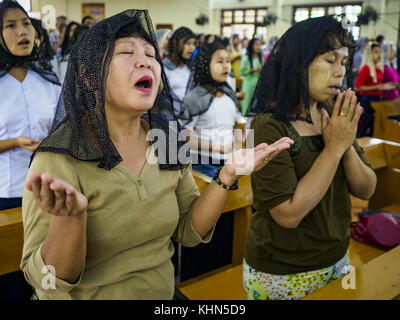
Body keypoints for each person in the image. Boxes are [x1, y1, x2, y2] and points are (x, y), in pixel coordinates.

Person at [19, 9, 293, 300]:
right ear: (90, 77)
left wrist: (227, 174)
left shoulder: (166, 142)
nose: (145, 61)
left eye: (151, 54)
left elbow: (188, 230)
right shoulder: (60, 157)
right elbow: (46, 281)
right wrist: (70, 221)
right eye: (127, 52)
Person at [244, 15, 377, 300]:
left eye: (343, 61)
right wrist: (333, 149)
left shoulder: (334, 114)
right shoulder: (269, 125)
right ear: (299, 62)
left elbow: (366, 188)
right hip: (283, 271)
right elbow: (288, 214)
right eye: (330, 60)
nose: (340, 71)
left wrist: (343, 145)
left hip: (338, 258)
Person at [0, 0, 61, 300]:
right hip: (7, 192)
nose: (22, 31)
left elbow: (67, 130)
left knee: (44, 268)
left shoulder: (48, 82)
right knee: (9, 271)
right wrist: (14, 142)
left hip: (47, 188)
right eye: (10, 25)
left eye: (25, 23)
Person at [183, 42, 246, 166]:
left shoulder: (229, 93)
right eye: (219, 62)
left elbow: (236, 126)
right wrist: (216, 147)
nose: (226, 66)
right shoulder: (194, 98)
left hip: (229, 159)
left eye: (228, 61)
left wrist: (240, 145)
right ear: (206, 65)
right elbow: (185, 137)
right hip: (203, 161)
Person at [355, 43, 395, 137]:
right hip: (367, 100)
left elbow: (379, 85)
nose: (379, 55)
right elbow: (357, 87)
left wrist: (388, 86)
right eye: (376, 52)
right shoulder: (366, 68)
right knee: (365, 126)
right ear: (370, 54)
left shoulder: (379, 68)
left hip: (377, 99)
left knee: (374, 126)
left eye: (380, 52)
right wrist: (376, 87)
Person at [163, 27, 196, 120]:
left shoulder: (191, 68)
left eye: (194, 44)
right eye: (188, 43)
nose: (192, 47)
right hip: (169, 119)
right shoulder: (163, 67)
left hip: (189, 120)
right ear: (176, 43)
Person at [240, 37, 263, 116]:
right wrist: (254, 69)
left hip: (259, 84)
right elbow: (242, 72)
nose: (258, 47)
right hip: (248, 83)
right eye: (256, 44)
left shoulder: (261, 58)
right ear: (251, 46)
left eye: (260, 44)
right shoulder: (246, 58)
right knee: (246, 104)